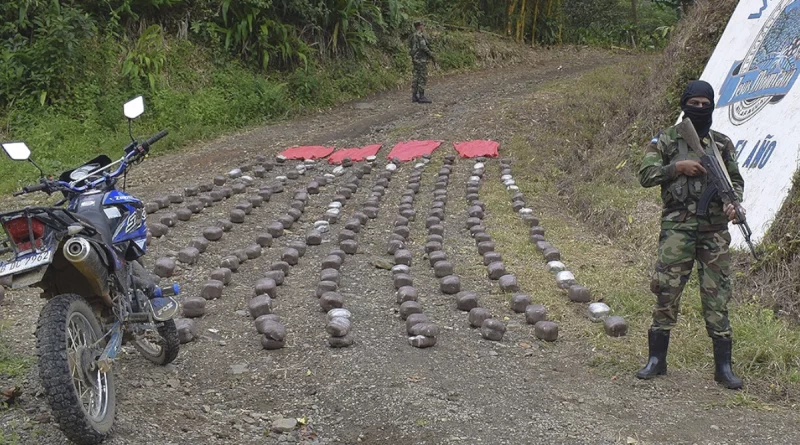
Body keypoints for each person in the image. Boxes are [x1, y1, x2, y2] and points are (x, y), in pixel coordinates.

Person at [636, 80, 745, 389]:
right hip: (677, 229)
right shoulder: (666, 140)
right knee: (666, 290)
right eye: (693, 103)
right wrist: (677, 167)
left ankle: (723, 367)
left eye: (704, 104)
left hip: (714, 232)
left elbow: (735, 182)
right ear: (684, 104)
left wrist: (733, 204)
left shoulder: (722, 144)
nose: (699, 109)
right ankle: (657, 360)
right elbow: (645, 174)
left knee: (717, 294)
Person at [409, 21, 435, 104]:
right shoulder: (420, 35)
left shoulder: (412, 36)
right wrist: (432, 54)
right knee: (422, 76)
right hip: (421, 59)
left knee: (416, 76)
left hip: (415, 58)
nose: (424, 27)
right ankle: (421, 96)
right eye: (423, 25)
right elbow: (423, 46)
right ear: (420, 26)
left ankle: (414, 96)